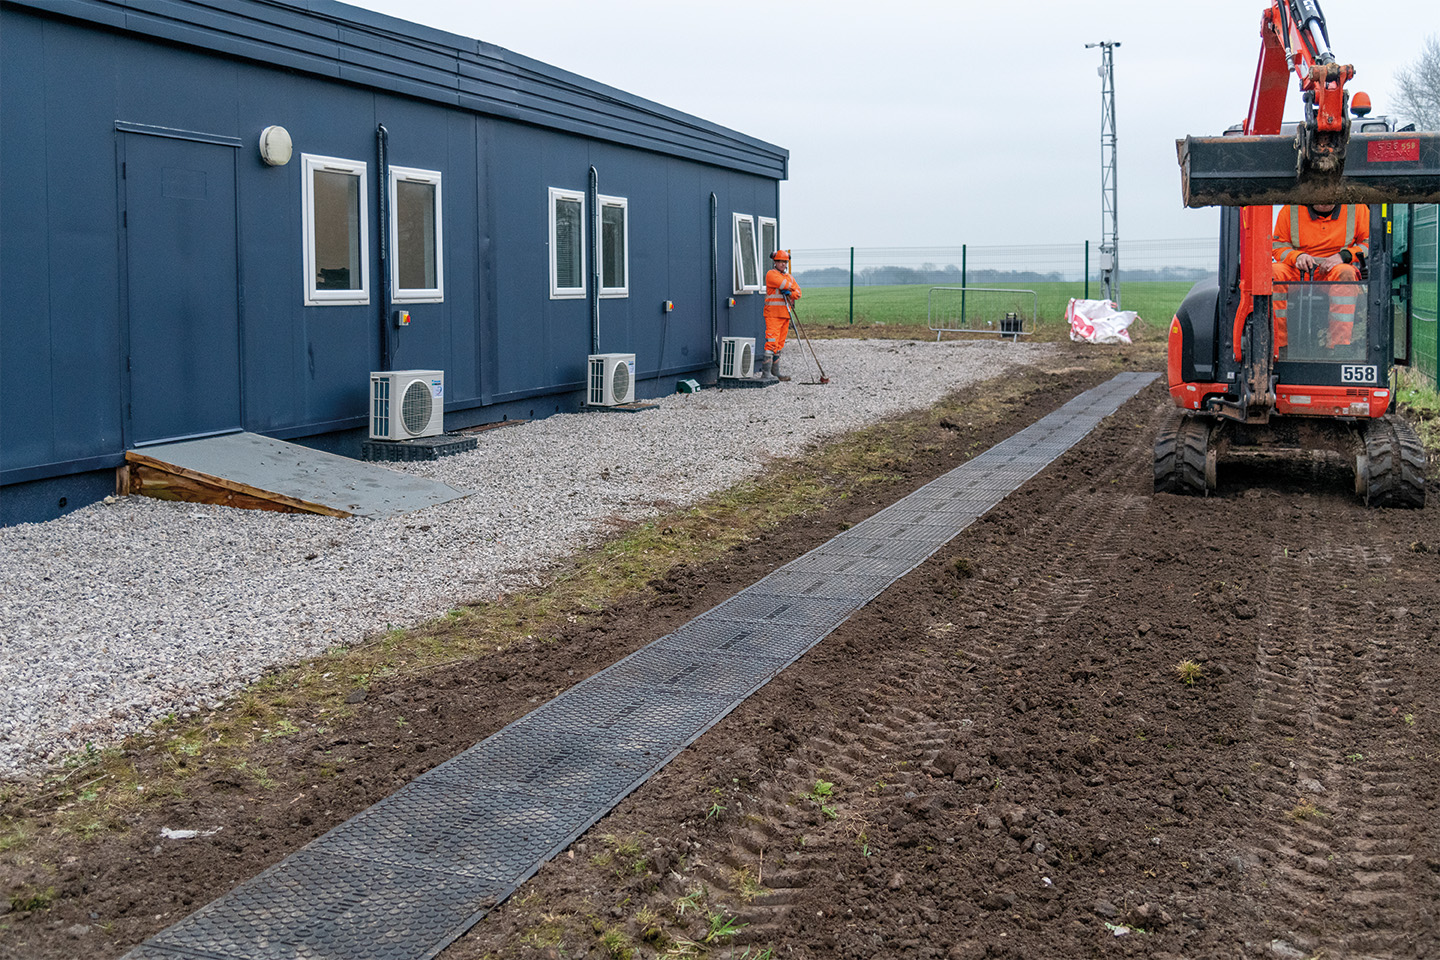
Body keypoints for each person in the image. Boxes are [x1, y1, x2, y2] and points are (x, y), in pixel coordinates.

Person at [1271, 203, 1369, 349]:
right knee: (1273, 272)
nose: (1324, 201)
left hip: (1334, 270)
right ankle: (1278, 347)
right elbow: (1278, 246)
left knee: (1346, 273)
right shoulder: (1290, 210)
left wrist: (1344, 256)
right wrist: (1297, 256)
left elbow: (1369, 243)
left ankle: (1339, 346)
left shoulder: (1358, 209)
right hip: (1298, 270)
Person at [763, 250, 803, 381]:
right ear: (775, 262)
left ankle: (776, 373)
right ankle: (766, 374)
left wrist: (791, 292)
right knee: (771, 342)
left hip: (786, 314)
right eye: (780, 261)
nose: (782, 264)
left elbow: (798, 293)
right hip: (773, 314)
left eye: (785, 262)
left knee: (779, 344)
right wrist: (791, 289)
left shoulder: (789, 277)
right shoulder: (771, 274)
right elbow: (782, 284)